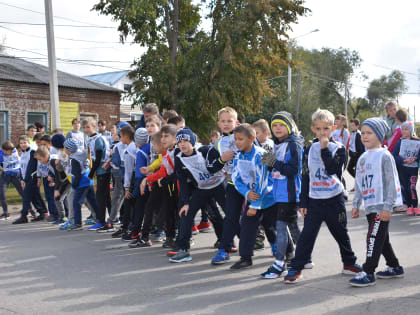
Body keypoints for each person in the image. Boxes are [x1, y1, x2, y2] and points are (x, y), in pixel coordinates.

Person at [284, 109, 361, 284]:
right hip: (314, 201)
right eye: (318, 129)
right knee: (307, 236)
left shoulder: (339, 149)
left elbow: (333, 170)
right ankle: (296, 268)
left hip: (334, 199)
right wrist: (303, 201)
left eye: (326, 128)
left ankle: (349, 263)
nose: (322, 132)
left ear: (333, 128)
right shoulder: (309, 149)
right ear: (313, 129)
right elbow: (305, 175)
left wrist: (325, 149)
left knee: (341, 233)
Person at [349, 117, 404, 287]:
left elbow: (391, 182)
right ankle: (395, 266)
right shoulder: (363, 157)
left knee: (372, 237)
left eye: (369, 133)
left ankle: (368, 271)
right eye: (363, 133)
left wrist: (388, 207)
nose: (364, 136)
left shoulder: (384, 155)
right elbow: (359, 183)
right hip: (370, 206)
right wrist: (356, 204)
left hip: (382, 206)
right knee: (381, 238)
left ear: (379, 135)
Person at [169, 127, 227, 263]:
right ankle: (183, 250)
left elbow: (219, 164)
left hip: (218, 184)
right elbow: (182, 182)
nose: (182, 144)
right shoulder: (179, 158)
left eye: (185, 141)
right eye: (179, 142)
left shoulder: (205, 151)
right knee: (185, 213)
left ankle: (234, 243)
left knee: (229, 213)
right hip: (202, 188)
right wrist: (185, 202)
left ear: (193, 141)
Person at [259, 112, 303, 278]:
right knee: (292, 226)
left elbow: (293, 170)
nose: (277, 128)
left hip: (289, 193)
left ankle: (279, 264)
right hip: (278, 193)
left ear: (289, 126)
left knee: (281, 227)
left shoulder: (294, 143)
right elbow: (272, 168)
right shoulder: (277, 144)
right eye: (274, 125)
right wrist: (267, 162)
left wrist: (274, 162)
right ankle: (305, 256)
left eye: (281, 125)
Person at [228, 124, 277, 270]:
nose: (237, 142)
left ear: (252, 139)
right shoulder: (238, 155)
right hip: (253, 196)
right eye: (235, 139)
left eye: (241, 139)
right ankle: (245, 258)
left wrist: (255, 205)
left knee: (273, 227)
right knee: (247, 226)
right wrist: (247, 194)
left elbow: (263, 181)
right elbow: (236, 178)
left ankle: (287, 252)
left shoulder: (263, 154)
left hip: (269, 198)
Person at [210, 107, 241, 264]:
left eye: (230, 121)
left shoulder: (246, 134)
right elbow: (213, 166)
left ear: (236, 122)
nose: (226, 124)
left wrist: (276, 166)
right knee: (230, 216)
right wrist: (222, 160)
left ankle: (280, 246)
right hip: (232, 183)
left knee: (264, 218)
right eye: (223, 121)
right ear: (218, 124)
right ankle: (224, 249)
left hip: (253, 184)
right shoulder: (218, 143)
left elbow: (262, 154)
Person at [63, 138, 99, 231]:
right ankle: (99, 218)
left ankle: (78, 223)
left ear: (70, 149)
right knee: (93, 201)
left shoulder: (74, 159)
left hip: (81, 182)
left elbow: (77, 174)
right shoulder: (82, 153)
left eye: (65, 148)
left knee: (76, 203)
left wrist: (74, 185)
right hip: (89, 179)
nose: (64, 149)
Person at [83, 118, 111, 231]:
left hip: (103, 170)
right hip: (100, 170)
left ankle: (101, 221)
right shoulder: (91, 138)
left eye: (88, 127)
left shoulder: (98, 139)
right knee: (106, 196)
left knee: (100, 197)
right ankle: (113, 219)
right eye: (84, 127)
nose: (86, 129)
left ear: (94, 127)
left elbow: (99, 158)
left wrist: (91, 172)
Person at [13, 135, 47, 224]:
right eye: (21, 143)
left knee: (26, 197)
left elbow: (31, 168)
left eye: (25, 142)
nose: (23, 144)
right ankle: (42, 212)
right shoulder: (22, 153)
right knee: (35, 196)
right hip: (25, 179)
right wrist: (21, 179)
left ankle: (23, 216)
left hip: (32, 178)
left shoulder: (32, 152)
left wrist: (27, 179)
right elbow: (21, 167)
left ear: (29, 143)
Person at [392, 121, 420, 216]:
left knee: (411, 187)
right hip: (403, 169)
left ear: (411, 130)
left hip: (413, 168)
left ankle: (415, 206)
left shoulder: (417, 141)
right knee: (406, 188)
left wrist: (415, 158)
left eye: (406, 129)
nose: (404, 131)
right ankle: (409, 206)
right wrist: (403, 161)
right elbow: (394, 155)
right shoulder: (400, 142)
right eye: (402, 129)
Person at [0, 141, 23, 220]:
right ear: (4, 150)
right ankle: (6, 213)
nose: (10, 153)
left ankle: (30, 209)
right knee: (1, 193)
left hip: (16, 175)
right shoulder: (1, 154)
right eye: (8, 151)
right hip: (6, 175)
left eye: (11, 151)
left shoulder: (15, 151)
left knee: (22, 192)